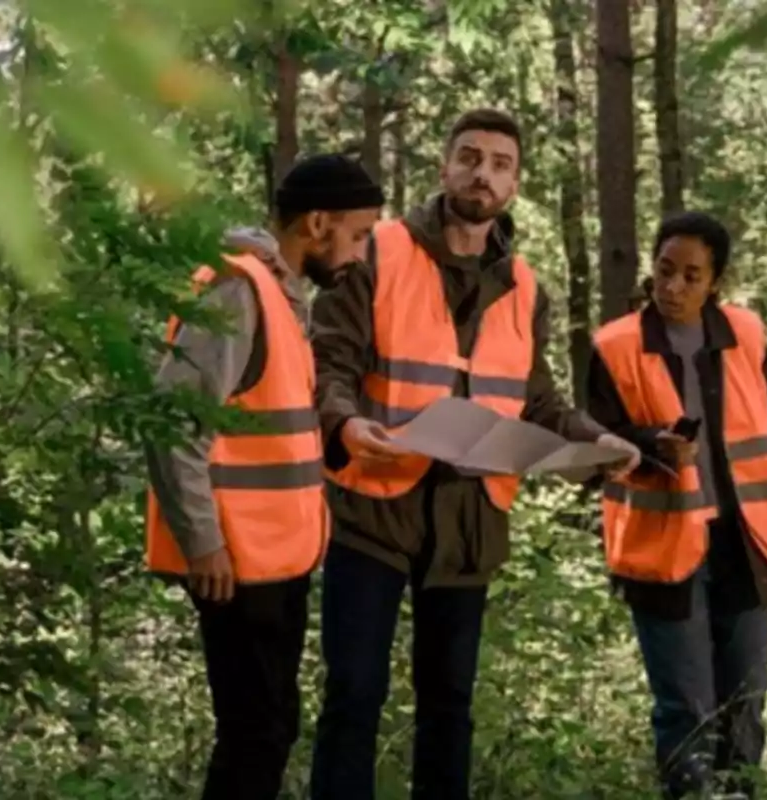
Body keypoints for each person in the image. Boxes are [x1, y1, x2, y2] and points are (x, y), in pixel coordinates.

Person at [308, 107, 640, 799]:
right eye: (469, 156)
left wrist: (595, 440)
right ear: (444, 165)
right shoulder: (379, 251)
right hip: (374, 509)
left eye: (498, 163)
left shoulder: (525, 288)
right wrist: (343, 426)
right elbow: (330, 365)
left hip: (470, 522)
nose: (481, 173)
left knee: (449, 707)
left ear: (514, 184)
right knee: (353, 699)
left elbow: (537, 398)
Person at [143, 153, 385, 800]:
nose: (361, 253)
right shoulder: (237, 289)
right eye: (357, 234)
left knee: (271, 727)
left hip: (273, 559)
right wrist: (203, 543)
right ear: (316, 223)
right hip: (234, 561)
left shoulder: (278, 294)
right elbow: (171, 423)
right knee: (256, 732)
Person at [586, 211, 767, 799]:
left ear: (716, 282)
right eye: (664, 271)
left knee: (745, 703)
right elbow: (588, 451)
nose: (674, 287)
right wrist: (647, 445)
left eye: (691, 276)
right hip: (662, 553)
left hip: (747, 542)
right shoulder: (614, 346)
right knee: (685, 709)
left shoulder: (746, 335)